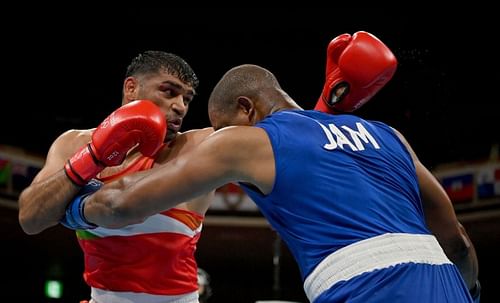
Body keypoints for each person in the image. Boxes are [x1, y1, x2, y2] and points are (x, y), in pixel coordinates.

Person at [73, 63, 479, 302]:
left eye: (222, 128)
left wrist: (71, 205)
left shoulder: (252, 140)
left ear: (245, 109)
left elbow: (118, 205)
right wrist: (467, 293)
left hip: (365, 287)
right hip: (447, 281)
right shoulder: (389, 135)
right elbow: (457, 242)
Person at [18, 51, 214, 303]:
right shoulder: (73, 144)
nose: (180, 106)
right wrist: (93, 158)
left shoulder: (194, 147)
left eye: (187, 99)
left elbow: (253, 134)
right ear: (131, 88)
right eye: (168, 91)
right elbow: (30, 220)